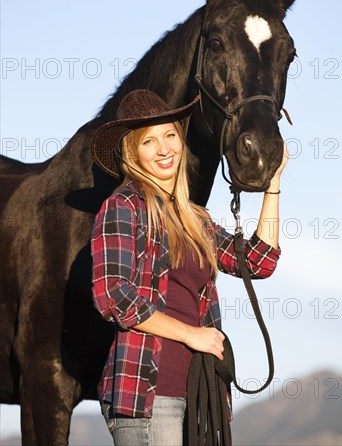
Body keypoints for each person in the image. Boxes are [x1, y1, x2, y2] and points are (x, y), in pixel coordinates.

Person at [90, 89, 288, 446]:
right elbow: (114, 297)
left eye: (170, 135)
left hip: (201, 396)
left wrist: (272, 184)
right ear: (132, 153)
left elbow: (258, 261)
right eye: (149, 141)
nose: (164, 148)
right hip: (150, 394)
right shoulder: (124, 206)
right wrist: (190, 333)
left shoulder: (196, 218)